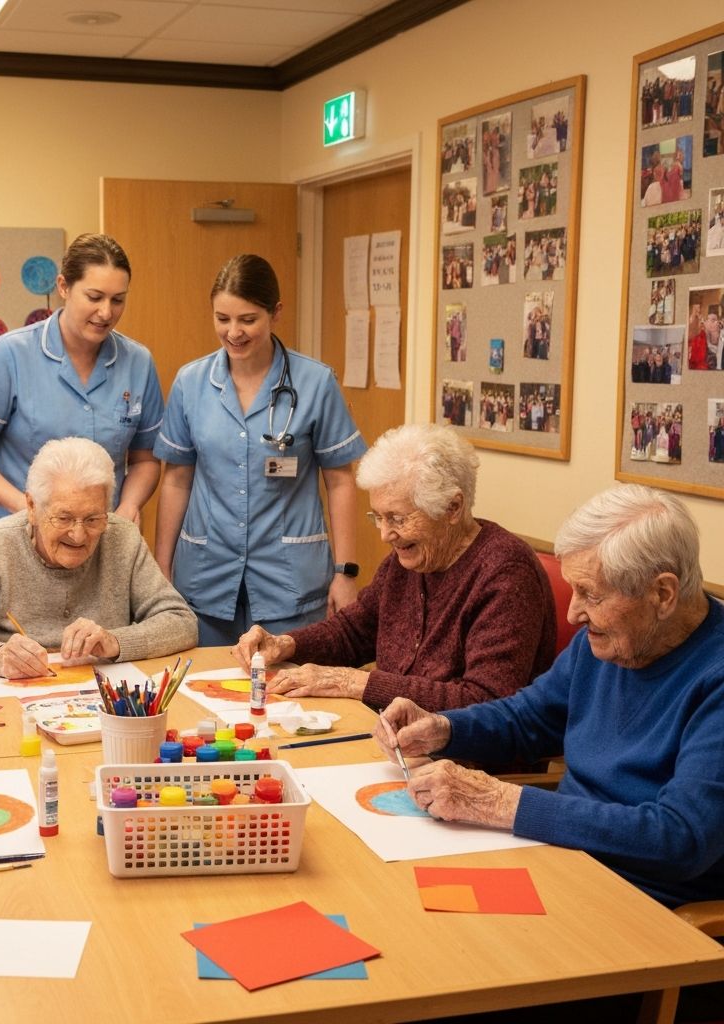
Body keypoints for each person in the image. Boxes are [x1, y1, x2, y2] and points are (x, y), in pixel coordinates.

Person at [376, 484, 724, 1023]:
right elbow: (529, 718)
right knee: (398, 931)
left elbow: (678, 839)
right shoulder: (610, 641)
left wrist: (501, 804)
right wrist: (443, 728)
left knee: (439, 986)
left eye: (591, 594)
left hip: (648, 920)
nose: (575, 614)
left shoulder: (714, 678)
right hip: (557, 869)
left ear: (662, 593)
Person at [231, 424, 556, 711]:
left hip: (457, 755)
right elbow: (354, 632)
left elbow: (485, 701)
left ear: (452, 508)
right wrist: (286, 644)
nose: (385, 534)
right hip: (393, 736)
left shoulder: (506, 574)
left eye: (397, 518)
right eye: (378, 517)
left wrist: (354, 683)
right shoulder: (407, 562)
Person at [153, 254, 367, 647]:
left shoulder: (315, 382)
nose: (233, 332)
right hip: (205, 577)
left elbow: (340, 480)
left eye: (248, 319)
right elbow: (177, 479)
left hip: (289, 582)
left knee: (288, 683)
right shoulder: (190, 383)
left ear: (276, 313)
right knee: (203, 681)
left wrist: (345, 572)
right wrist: (161, 569)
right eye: (222, 318)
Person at [0, 437, 197, 678]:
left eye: (93, 518)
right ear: (31, 507)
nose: (78, 535)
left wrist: (116, 642)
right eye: (64, 518)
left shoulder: (123, 538)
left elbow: (181, 622)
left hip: (103, 701)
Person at [0, 234, 164, 529]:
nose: (106, 312)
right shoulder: (10, 354)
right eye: (94, 297)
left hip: (98, 535)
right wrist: (27, 509)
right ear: (64, 286)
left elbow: (146, 459)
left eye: (118, 300)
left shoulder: (138, 362)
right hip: (19, 530)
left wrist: (129, 505)